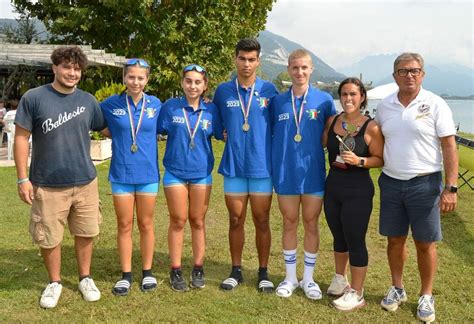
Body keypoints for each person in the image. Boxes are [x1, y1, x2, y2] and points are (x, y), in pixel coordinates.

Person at [14, 46, 104, 308]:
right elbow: (21, 139)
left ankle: (85, 278)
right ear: (54, 67)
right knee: (49, 236)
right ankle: (54, 282)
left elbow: (106, 128)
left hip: (85, 180)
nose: (72, 73)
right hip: (48, 183)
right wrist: (22, 179)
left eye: (77, 69)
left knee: (86, 232)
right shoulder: (34, 98)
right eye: (66, 67)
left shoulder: (88, 101)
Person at [375, 53, 458, 323]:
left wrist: (451, 187)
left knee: (425, 242)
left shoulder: (435, 104)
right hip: (391, 182)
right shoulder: (385, 106)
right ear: (394, 75)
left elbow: (449, 146)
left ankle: (426, 294)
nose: (409, 75)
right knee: (394, 239)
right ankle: (397, 288)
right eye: (403, 71)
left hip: (425, 183)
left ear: (422, 74)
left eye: (414, 70)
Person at [213, 38, 278, 292]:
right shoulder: (223, 91)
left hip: (262, 167)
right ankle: (236, 270)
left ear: (258, 61)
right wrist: (221, 133)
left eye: (252, 60)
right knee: (235, 219)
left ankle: (263, 272)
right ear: (235, 59)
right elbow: (214, 119)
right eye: (242, 58)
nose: (246, 64)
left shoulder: (270, 91)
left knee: (262, 220)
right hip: (234, 166)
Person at [271, 49, 336, 300]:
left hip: (312, 172)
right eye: (295, 68)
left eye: (304, 68)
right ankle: (290, 277)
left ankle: (308, 279)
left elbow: (332, 133)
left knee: (311, 223)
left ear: (311, 70)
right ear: (288, 69)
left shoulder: (324, 100)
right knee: (289, 222)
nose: (299, 72)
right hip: (285, 171)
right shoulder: (277, 101)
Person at [100, 58, 162, 296]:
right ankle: (126, 275)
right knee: (124, 225)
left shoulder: (156, 104)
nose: (135, 82)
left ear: (147, 79)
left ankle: (147, 272)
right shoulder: (110, 104)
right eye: (131, 77)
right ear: (124, 78)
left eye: (141, 77)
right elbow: (99, 124)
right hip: (121, 173)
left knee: (146, 224)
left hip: (147, 173)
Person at [158, 64, 222, 292]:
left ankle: (198, 267)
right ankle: (175, 269)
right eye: (188, 81)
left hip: (201, 173)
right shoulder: (170, 107)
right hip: (175, 171)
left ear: (205, 85)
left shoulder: (212, 111)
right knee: (177, 220)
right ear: (182, 83)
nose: (192, 86)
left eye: (197, 82)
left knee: (197, 220)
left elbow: (223, 133)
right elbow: (153, 130)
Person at [322, 78, 384, 310]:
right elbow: (321, 144)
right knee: (338, 235)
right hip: (333, 186)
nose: (348, 99)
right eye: (344, 94)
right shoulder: (333, 121)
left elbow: (380, 159)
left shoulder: (372, 127)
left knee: (355, 239)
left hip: (357, 190)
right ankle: (340, 279)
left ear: (362, 98)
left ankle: (357, 292)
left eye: (353, 95)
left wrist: (360, 160)